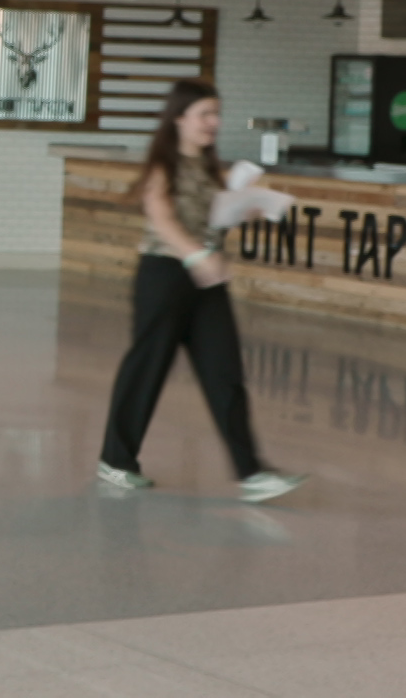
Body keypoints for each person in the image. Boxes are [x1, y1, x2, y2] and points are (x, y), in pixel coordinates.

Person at [96, 79, 307, 504]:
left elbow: (207, 219)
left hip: (205, 281)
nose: (214, 123)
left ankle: (251, 472)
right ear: (179, 118)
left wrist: (242, 210)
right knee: (148, 367)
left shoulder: (210, 168)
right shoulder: (164, 165)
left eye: (216, 114)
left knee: (224, 372)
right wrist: (195, 256)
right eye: (205, 115)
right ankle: (116, 462)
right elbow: (162, 218)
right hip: (165, 275)